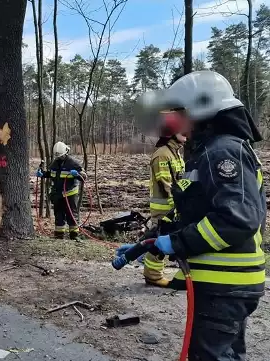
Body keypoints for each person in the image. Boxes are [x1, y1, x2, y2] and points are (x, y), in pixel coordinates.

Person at [124, 70, 265, 360]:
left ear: (201, 109)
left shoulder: (222, 151)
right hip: (222, 285)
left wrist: (176, 244)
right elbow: (198, 215)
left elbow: (236, 218)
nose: (174, 121)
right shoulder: (210, 151)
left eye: (179, 112)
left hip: (225, 285)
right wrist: (148, 243)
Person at [142, 111, 186, 287]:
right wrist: (182, 200)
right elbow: (166, 185)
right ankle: (152, 275)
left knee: (167, 240)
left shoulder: (174, 152)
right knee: (159, 242)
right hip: (164, 208)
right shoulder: (162, 154)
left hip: (174, 207)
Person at [36, 141, 87, 240]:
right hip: (58, 194)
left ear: (66, 153)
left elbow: (84, 176)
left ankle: (74, 237)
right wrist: (43, 174)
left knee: (72, 216)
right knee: (58, 216)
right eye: (58, 157)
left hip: (70, 194)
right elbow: (51, 174)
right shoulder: (55, 163)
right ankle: (59, 238)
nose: (59, 158)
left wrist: (77, 174)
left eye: (61, 156)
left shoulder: (73, 163)